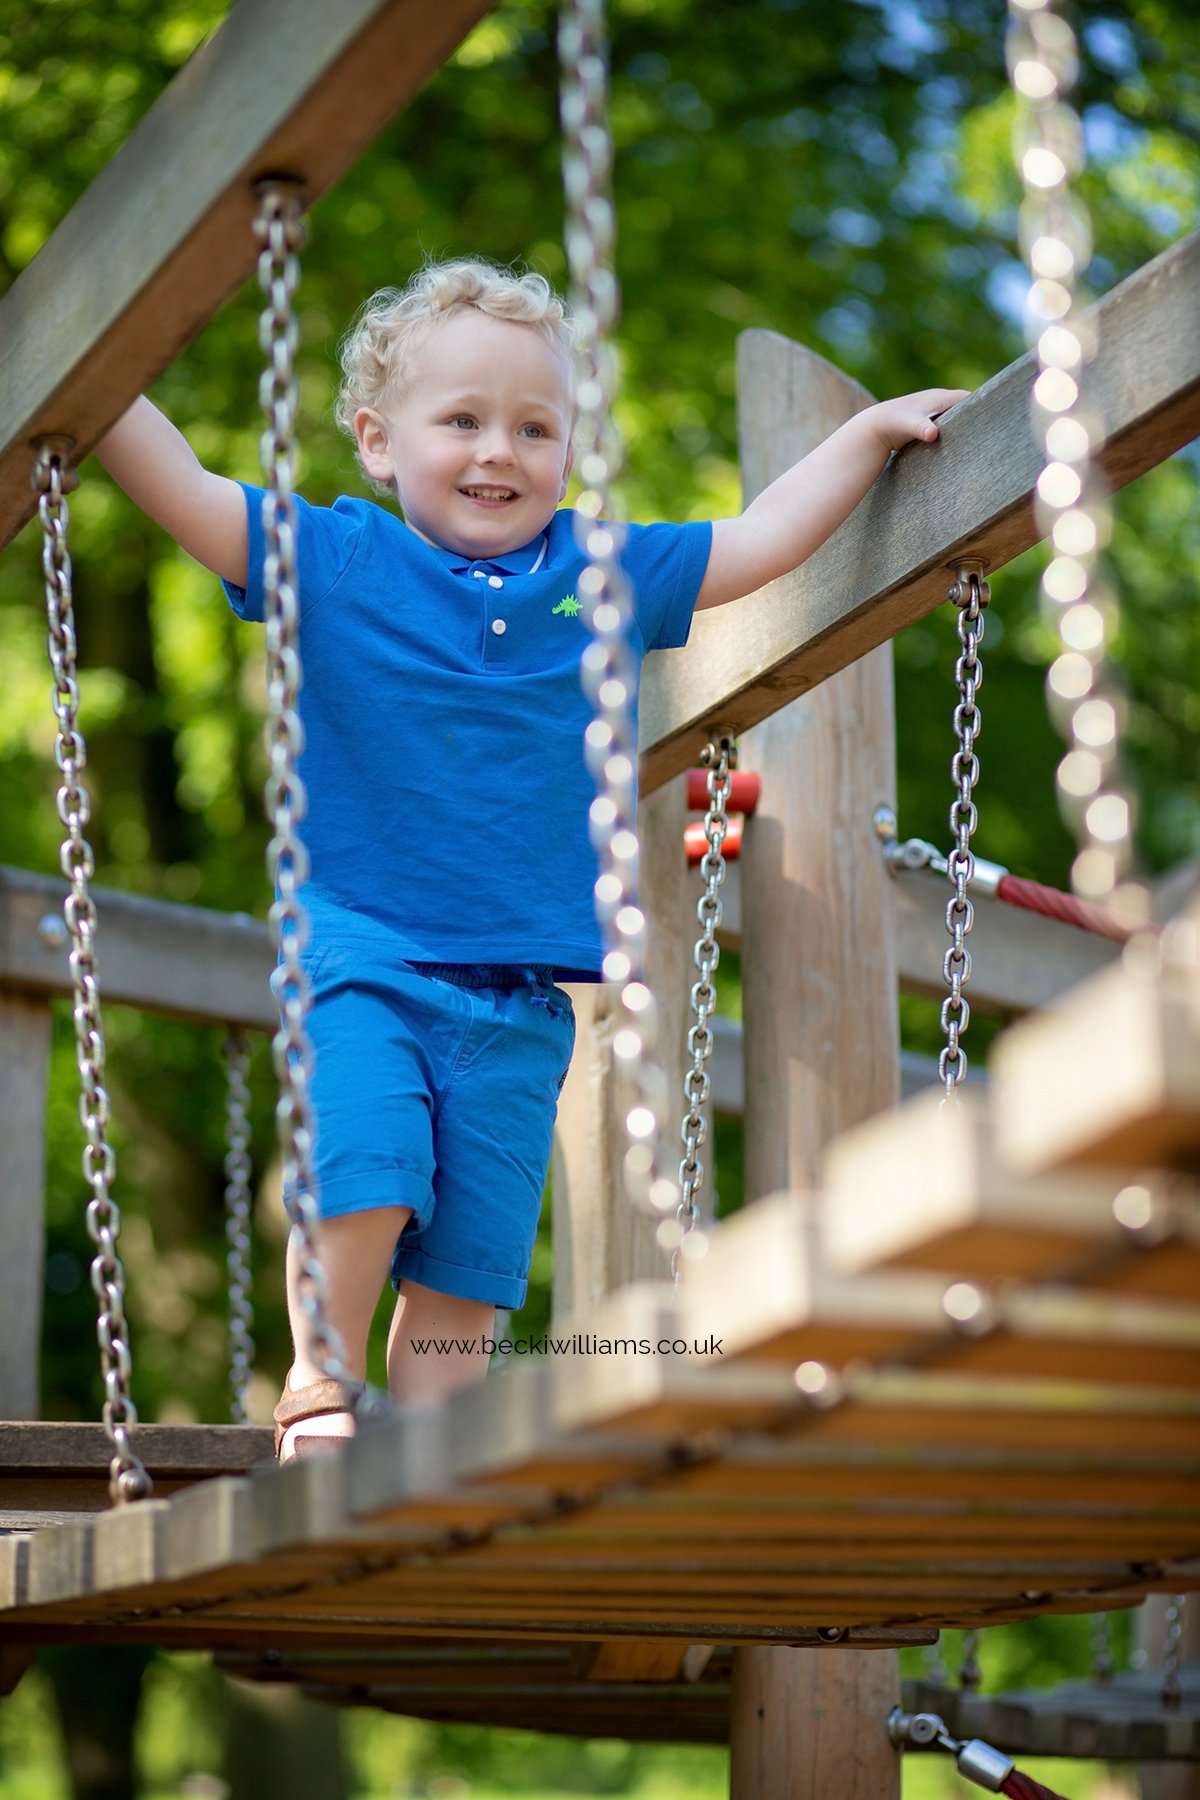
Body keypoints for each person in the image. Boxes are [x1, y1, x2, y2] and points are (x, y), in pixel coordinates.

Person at [96, 257, 966, 1459]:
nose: (498, 450)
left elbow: (759, 540)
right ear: (377, 441)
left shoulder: (596, 575)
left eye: (533, 426)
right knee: (371, 1163)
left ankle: (439, 1452)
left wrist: (866, 436)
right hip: (363, 948)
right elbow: (187, 489)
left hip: (519, 994)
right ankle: (319, 1390)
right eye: (461, 420)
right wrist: (93, 380)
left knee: (474, 1262)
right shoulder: (336, 558)